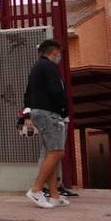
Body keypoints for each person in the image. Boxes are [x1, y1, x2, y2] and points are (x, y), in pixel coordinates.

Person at [21, 39, 70, 209]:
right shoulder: (49, 67)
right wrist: (64, 111)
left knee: (52, 152)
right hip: (50, 113)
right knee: (57, 152)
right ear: (54, 53)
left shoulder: (37, 68)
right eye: (59, 54)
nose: (60, 57)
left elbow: (27, 93)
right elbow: (56, 91)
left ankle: (54, 195)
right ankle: (36, 189)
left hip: (39, 112)